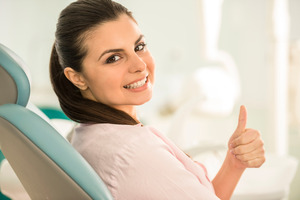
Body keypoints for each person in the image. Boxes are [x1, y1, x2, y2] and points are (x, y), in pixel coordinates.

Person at [49, 0, 265, 199]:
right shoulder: (135, 152)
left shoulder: (86, 134)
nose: (139, 65)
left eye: (139, 47)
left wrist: (233, 164)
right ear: (77, 77)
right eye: (113, 58)